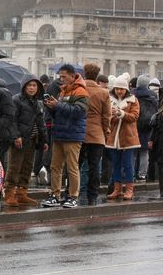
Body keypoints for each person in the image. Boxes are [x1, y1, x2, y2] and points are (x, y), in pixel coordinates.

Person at [42, 64, 89, 209]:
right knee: (55, 166)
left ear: (73, 75)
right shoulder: (62, 92)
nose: (61, 79)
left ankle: (73, 196)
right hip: (59, 133)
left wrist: (57, 106)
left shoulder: (81, 91)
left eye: (64, 76)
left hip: (73, 134)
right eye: (60, 76)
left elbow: (78, 112)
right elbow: (61, 112)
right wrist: (51, 108)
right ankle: (55, 194)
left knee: (72, 167)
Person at [5, 75, 47, 207]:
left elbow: (41, 123)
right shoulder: (16, 100)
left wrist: (44, 141)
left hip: (32, 139)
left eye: (34, 86)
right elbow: (12, 120)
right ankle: (9, 194)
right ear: (24, 86)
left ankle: (22, 193)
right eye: (29, 85)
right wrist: (16, 136)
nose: (32, 88)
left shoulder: (37, 102)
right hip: (20, 139)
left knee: (27, 167)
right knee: (14, 167)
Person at [78, 64, 111, 206]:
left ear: (84, 74)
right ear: (97, 76)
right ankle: (92, 196)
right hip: (96, 134)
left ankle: (73, 192)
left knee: (75, 165)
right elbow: (106, 116)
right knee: (94, 166)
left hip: (79, 131)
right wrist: (106, 131)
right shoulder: (103, 92)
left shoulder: (79, 89)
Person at [106, 77, 141, 201]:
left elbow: (134, 117)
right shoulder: (109, 100)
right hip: (113, 139)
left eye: (121, 88)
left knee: (127, 165)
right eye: (117, 88)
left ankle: (129, 190)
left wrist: (122, 113)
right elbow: (106, 117)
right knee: (115, 165)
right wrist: (112, 115)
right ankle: (117, 189)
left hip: (128, 138)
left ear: (126, 89)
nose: (119, 91)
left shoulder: (133, 100)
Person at [133, 75, 158, 181]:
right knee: (144, 152)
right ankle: (143, 174)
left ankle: (132, 174)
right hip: (147, 127)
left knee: (133, 153)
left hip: (134, 126)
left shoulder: (132, 94)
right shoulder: (152, 96)